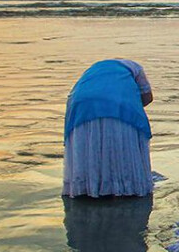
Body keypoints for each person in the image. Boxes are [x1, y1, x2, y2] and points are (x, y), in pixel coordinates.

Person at [63, 59, 154, 197]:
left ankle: (88, 185)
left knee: (90, 145)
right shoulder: (135, 68)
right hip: (117, 102)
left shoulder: (94, 69)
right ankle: (122, 184)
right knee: (118, 142)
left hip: (80, 104)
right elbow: (147, 97)